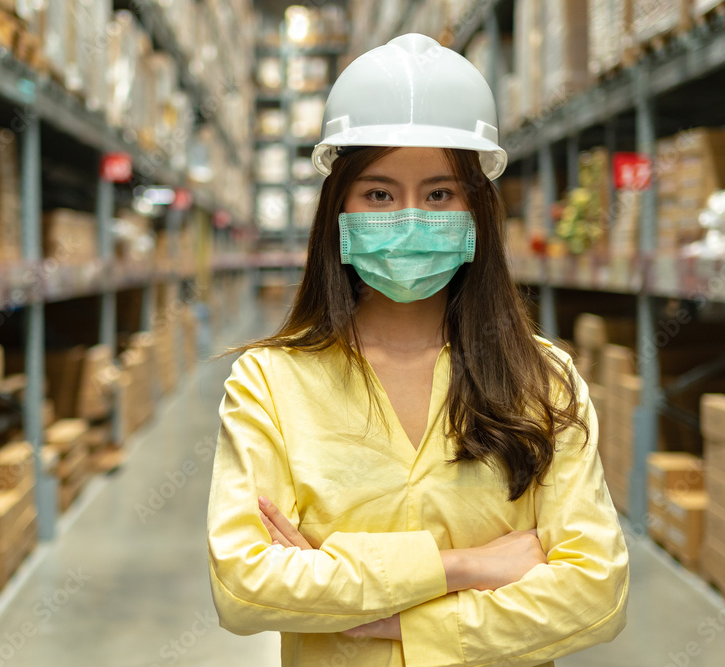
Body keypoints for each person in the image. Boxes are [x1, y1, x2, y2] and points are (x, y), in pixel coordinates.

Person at [205, 33, 629, 666]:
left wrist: (375, 610)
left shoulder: (543, 378)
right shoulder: (269, 382)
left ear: (478, 211)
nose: (408, 219)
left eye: (439, 195)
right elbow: (244, 588)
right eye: (379, 194)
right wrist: (462, 567)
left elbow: (595, 593)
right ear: (338, 211)